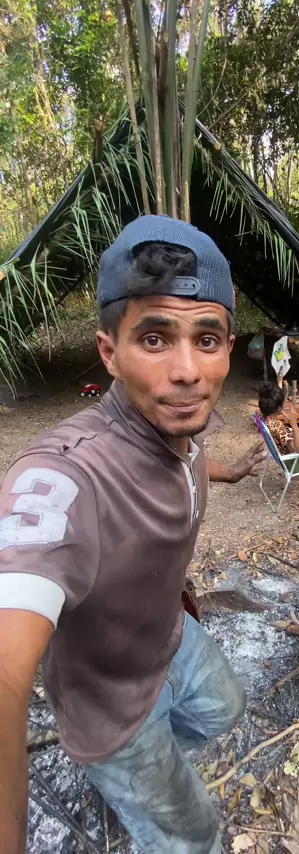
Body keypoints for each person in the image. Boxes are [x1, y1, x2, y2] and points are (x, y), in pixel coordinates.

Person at [0, 215, 269, 854]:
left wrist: (229, 472)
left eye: (207, 339)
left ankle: (138, 780)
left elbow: (184, 463)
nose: (188, 370)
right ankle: (128, 778)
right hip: (112, 708)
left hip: (169, 638)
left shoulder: (175, 422)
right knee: (196, 836)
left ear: (228, 348)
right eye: (154, 338)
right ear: (109, 353)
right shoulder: (66, 475)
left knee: (226, 708)